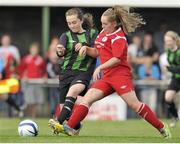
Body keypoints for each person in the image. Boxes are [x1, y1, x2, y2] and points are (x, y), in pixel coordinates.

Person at [48, 6, 171, 138]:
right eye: (101, 23)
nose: (102, 26)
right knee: (86, 100)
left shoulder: (119, 38)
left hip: (120, 76)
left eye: (105, 24)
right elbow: (97, 52)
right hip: (107, 78)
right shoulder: (102, 34)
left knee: (135, 105)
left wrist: (100, 67)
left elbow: (117, 59)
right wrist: (86, 48)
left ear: (114, 23)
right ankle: (70, 127)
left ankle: (162, 127)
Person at [48, 8, 98, 129]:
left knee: (73, 91)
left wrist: (84, 46)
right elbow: (60, 52)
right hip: (65, 73)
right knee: (65, 110)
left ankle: (58, 122)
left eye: (74, 22)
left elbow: (96, 52)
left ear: (81, 20)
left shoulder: (92, 33)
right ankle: (75, 126)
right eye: (69, 23)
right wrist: (60, 51)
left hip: (83, 73)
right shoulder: (65, 36)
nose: (72, 25)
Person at [163, 31, 180, 128]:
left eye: (169, 40)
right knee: (168, 98)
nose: (167, 43)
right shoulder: (168, 51)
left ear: (175, 40)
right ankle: (175, 117)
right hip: (176, 78)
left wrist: (169, 68)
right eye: (166, 41)